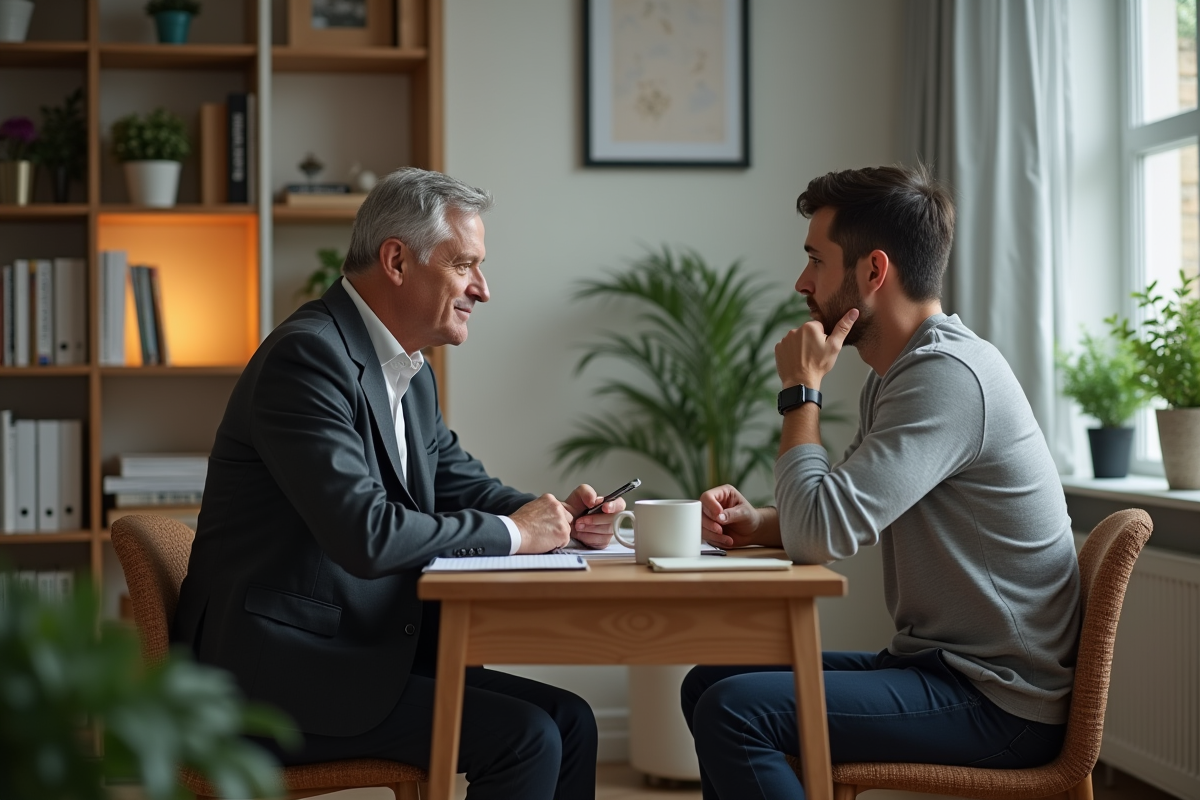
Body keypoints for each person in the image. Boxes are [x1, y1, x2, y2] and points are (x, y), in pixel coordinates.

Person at [173, 167, 621, 800]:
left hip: (357, 651)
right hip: (275, 677)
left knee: (570, 721)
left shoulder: (408, 371)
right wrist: (517, 535)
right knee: (527, 736)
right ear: (397, 261)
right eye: (464, 265)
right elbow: (366, 534)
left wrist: (556, 519)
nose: (483, 289)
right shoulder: (307, 359)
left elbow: (465, 486)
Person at [681, 164, 1081, 800]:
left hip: (998, 699)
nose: (802, 282)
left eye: (816, 260)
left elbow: (819, 535)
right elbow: (840, 509)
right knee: (711, 683)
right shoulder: (901, 373)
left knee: (735, 711)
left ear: (873, 271)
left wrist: (801, 392)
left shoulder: (947, 376)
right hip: (942, 668)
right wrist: (757, 525)